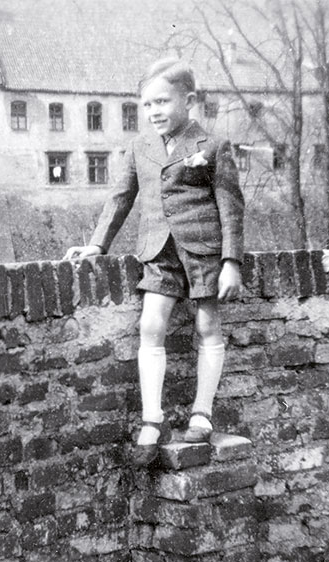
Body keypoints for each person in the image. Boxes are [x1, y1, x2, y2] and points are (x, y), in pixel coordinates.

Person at [64, 58, 245, 465]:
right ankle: (152, 418)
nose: (154, 112)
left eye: (162, 102)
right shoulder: (139, 147)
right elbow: (120, 198)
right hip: (158, 251)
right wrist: (97, 245)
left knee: (206, 324)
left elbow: (231, 208)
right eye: (146, 105)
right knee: (150, 325)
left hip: (202, 250)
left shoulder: (212, 146)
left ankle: (202, 413)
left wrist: (232, 261)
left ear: (190, 100)